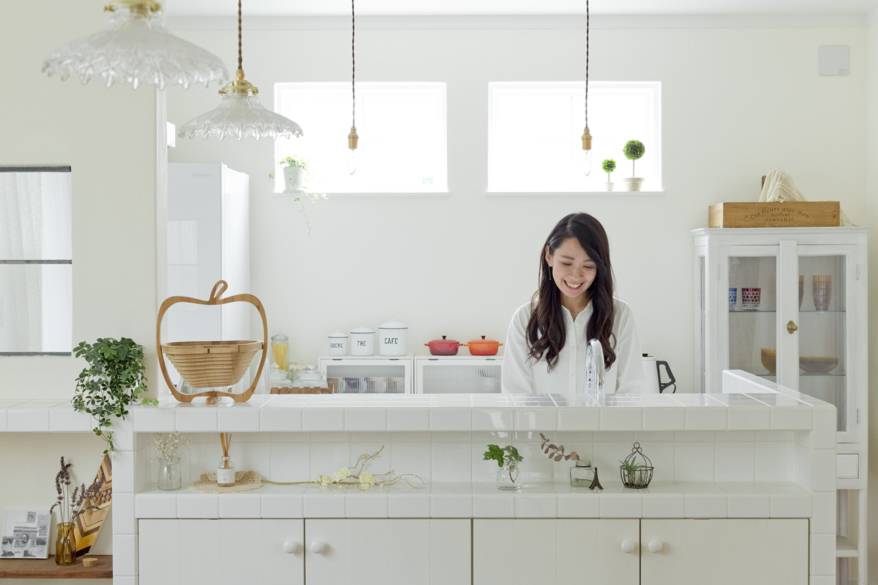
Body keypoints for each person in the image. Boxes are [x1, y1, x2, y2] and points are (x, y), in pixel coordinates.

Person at [501, 213, 647, 395]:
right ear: (549, 256)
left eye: (588, 266)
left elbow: (632, 390)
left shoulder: (620, 315)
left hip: (604, 424)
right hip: (542, 424)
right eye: (567, 263)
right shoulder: (525, 318)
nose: (576, 276)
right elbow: (515, 395)